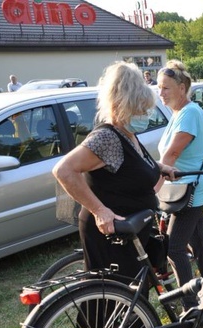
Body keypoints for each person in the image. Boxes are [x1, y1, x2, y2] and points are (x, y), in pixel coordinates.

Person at [53, 62, 165, 278]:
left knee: (129, 301)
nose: (144, 115)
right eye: (139, 109)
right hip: (111, 234)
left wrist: (160, 167)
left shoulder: (128, 133)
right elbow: (63, 170)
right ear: (122, 106)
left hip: (131, 233)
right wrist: (99, 210)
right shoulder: (107, 137)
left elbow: (129, 168)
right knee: (110, 303)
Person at [156, 60, 203, 310]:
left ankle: (190, 307)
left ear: (182, 88)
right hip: (184, 188)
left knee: (174, 248)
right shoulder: (179, 114)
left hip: (192, 189)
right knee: (199, 244)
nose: (160, 93)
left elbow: (170, 157)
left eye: (166, 88)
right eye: (159, 88)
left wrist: (150, 189)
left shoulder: (190, 113)